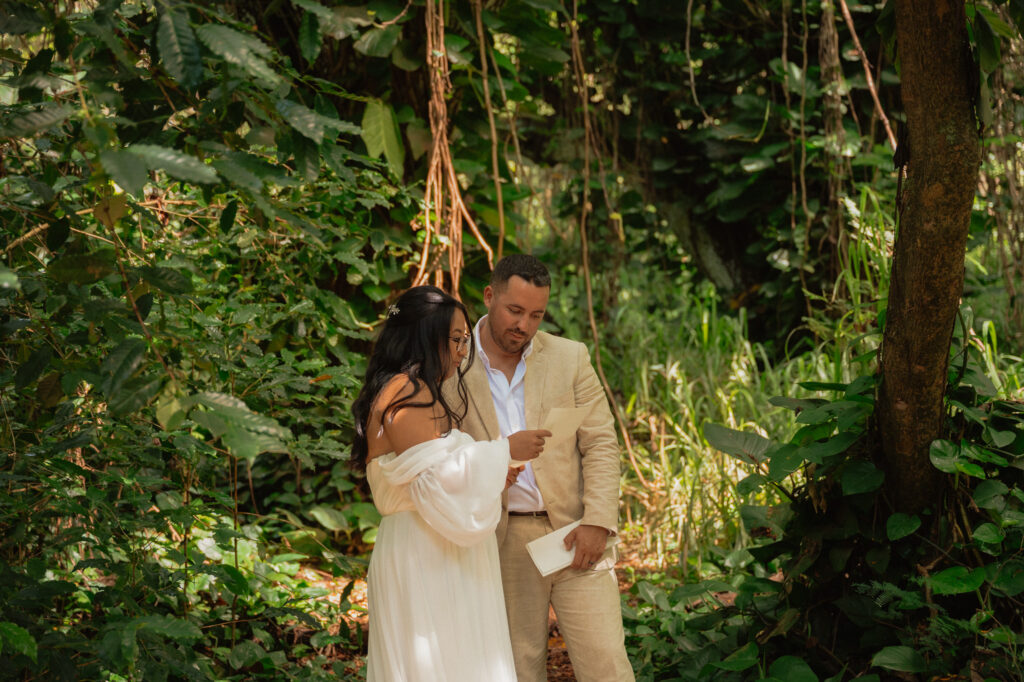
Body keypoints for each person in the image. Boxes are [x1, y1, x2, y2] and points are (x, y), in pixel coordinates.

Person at [350, 285, 551, 682]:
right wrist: (503, 449)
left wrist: (494, 472)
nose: (463, 351)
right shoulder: (405, 390)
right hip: (425, 551)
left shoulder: (412, 388)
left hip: (438, 547)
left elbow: (435, 471)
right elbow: (436, 483)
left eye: (464, 340)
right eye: (456, 340)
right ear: (425, 335)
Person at [453, 255, 635, 681]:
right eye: (515, 311)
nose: (525, 325)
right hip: (499, 539)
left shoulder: (570, 357)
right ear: (489, 295)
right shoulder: (452, 362)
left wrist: (599, 521)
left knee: (608, 662)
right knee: (518, 668)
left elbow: (601, 443)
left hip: (576, 532)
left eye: (536, 315)